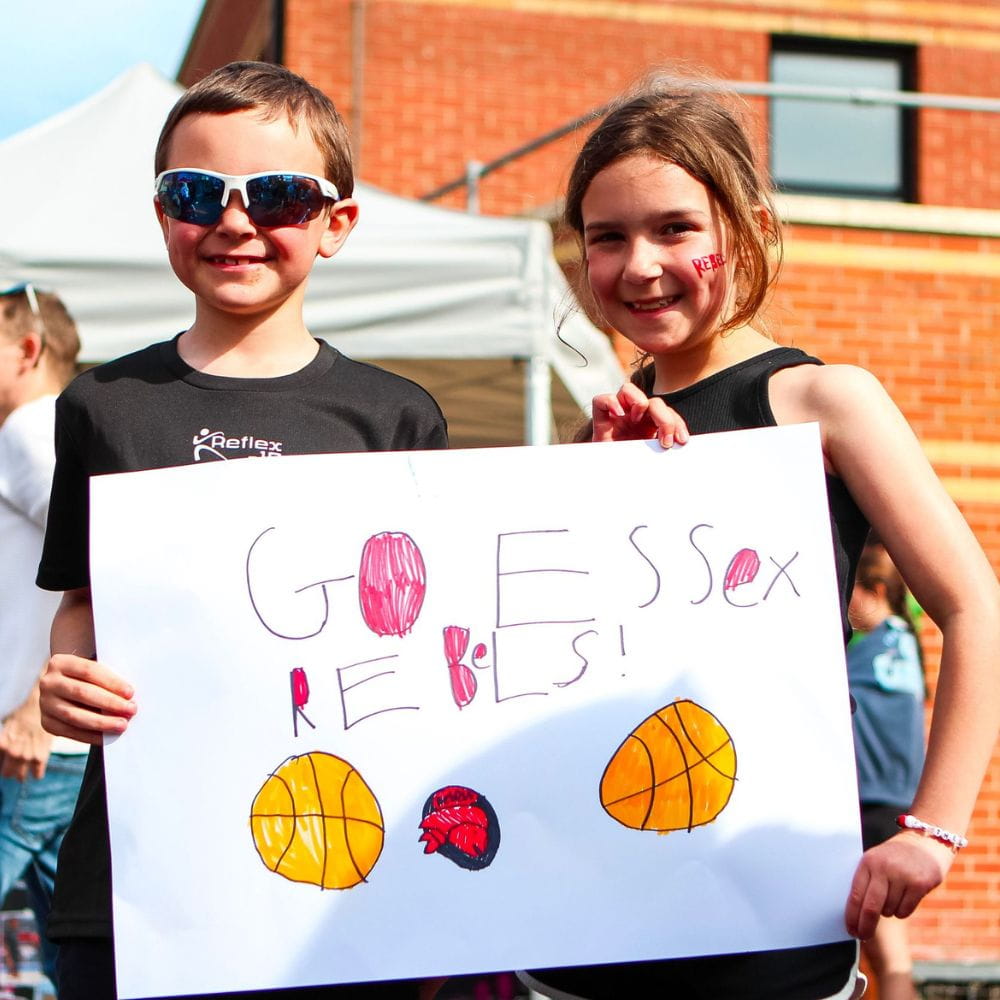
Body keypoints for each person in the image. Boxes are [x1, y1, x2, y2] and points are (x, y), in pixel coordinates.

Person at [521, 75, 1000, 1000]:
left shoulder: (825, 402)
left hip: (765, 931)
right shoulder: (595, 433)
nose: (639, 264)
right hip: (588, 932)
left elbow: (974, 606)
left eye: (673, 228)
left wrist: (934, 829)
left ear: (740, 231)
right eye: (607, 237)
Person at [34, 62, 447, 1000]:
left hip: (341, 871)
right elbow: (82, 603)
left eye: (279, 196)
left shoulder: (395, 417)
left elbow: (425, 650)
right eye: (195, 192)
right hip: (139, 876)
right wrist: (68, 680)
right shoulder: (102, 405)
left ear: (336, 223)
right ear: (161, 213)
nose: (234, 221)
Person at [0, 281, 87, 991]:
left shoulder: (31, 433)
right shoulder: (44, 431)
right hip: (47, 743)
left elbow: (98, 560)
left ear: (28, 349)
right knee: (71, 938)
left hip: (35, 742)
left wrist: (34, 706)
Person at [848, 540, 926, 1000]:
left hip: (873, 802)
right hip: (892, 800)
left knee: (881, 946)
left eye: (853, 592)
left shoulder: (877, 644)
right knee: (881, 945)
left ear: (877, 589)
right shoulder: (904, 642)